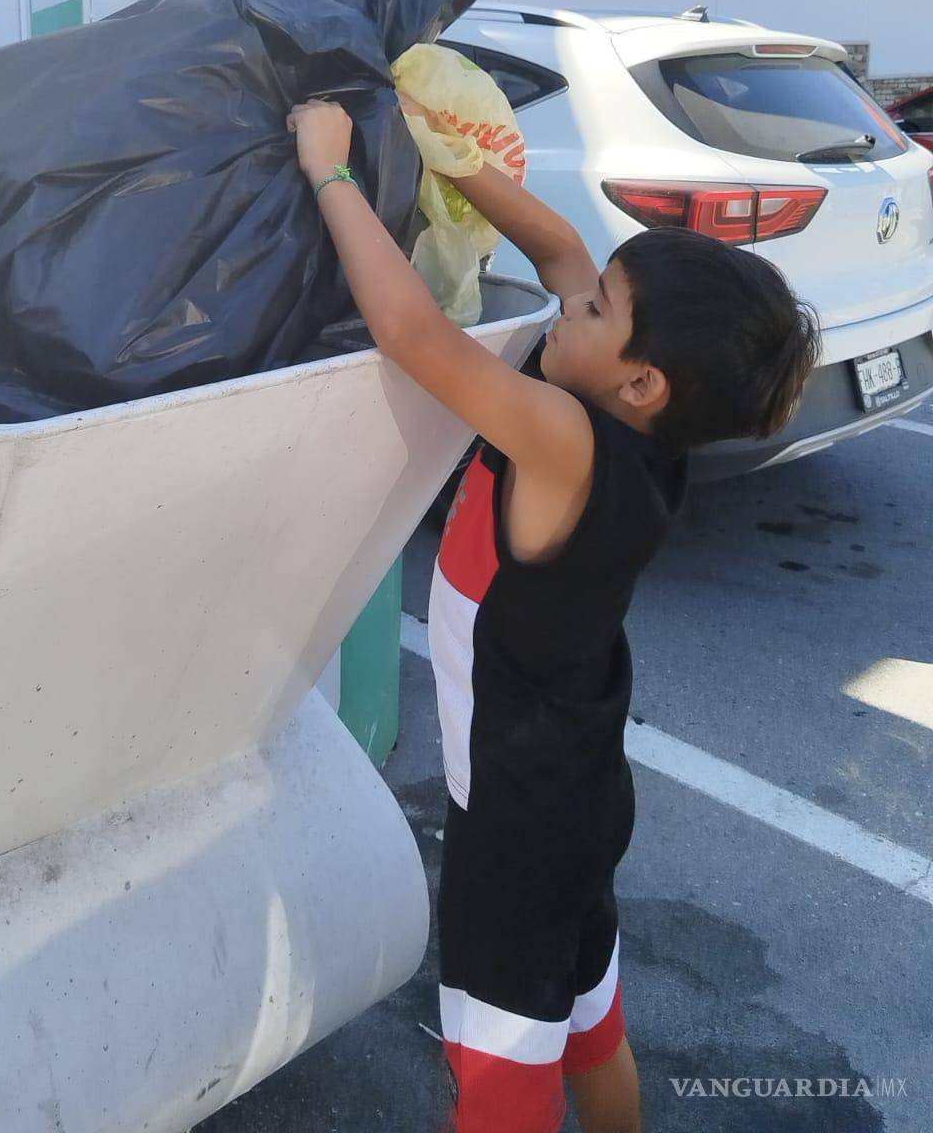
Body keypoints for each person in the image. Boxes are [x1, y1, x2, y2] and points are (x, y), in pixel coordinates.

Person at [288, 98, 820, 1133]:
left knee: (502, 1084)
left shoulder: (562, 437)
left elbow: (409, 333)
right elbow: (566, 247)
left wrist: (330, 174)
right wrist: (453, 152)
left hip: (518, 831)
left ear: (640, 381)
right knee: (591, 1025)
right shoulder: (634, 419)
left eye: (594, 310)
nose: (568, 304)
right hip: (582, 796)